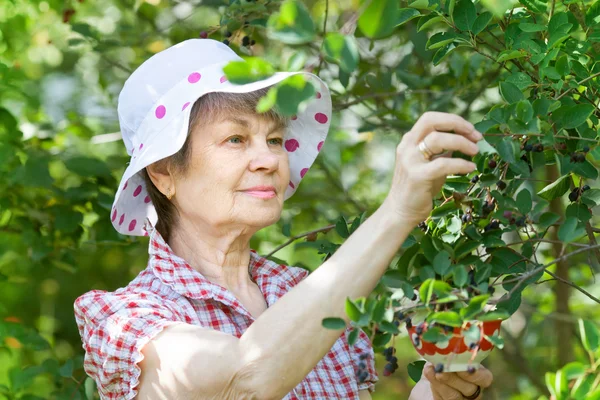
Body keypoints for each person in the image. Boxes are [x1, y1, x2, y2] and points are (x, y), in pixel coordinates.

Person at [73, 38, 493, 399]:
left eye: (274, 139)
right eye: (236, 139)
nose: (270, 159)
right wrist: (398, 211)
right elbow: (246, 379)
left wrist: (434, 394)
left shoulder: (300, 291)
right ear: (164, 172)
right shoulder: (123, 319)